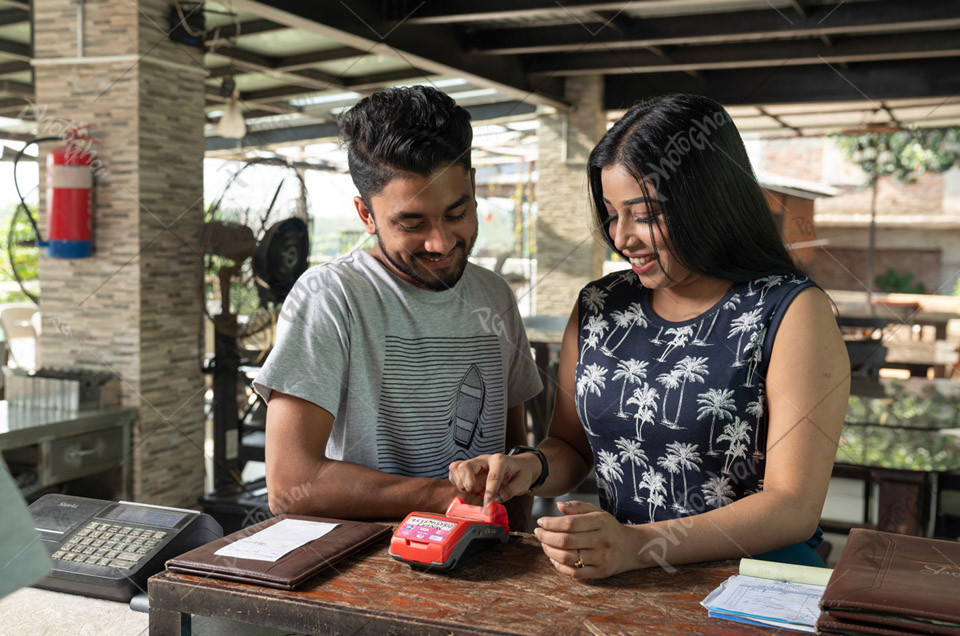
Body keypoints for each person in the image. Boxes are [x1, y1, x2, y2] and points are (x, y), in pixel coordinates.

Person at [449, 94, 850, 578]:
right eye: (611, 213)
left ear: (709, 202)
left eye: (645, 215)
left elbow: (792, 506)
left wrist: (639, 545)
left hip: (753, 583)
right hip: (624, 578)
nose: (621, 237)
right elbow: (573, 448)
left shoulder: (789, 311)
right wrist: (529, 467)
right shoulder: (600, 306)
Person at [255, 86, 542, 530]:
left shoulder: (494, 297)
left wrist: (514, 548)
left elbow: (512, 457)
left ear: (472, 187)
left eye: (456, 213)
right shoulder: (331, 299)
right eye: (412, 223)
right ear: (365, 215)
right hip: (368, 573)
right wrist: (446, 496)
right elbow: (291, 486)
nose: (440, 243)